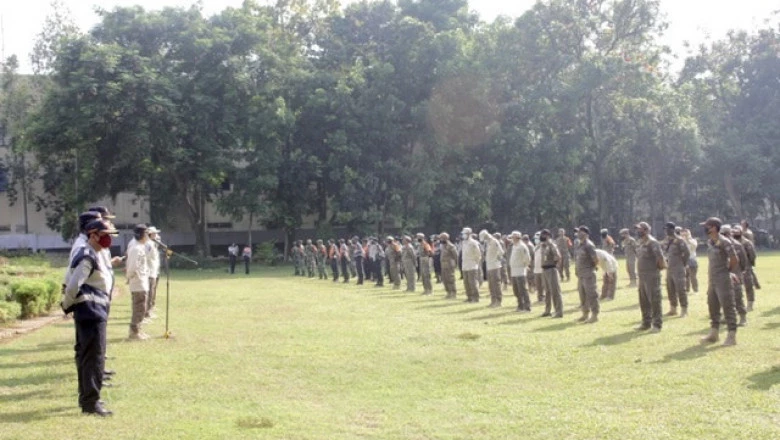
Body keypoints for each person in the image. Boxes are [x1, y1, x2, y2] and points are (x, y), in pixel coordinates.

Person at [62, 219, 118, 416]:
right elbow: (73, 284)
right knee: (93, 359)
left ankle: (89, 400)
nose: (108, 239)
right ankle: (91, 403)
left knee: (91, 358)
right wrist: (66, 305)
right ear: (93, 235)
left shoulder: (93, 253)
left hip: (93, 312)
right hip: (91, 313)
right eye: (105, 235)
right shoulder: (87, 256)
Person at [700, 217, 739, 346]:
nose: (705, 229)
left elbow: (734, 259)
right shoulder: (710, 242)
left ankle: (731, 336)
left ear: (714, 227)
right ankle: (714, 333)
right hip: (713, 279)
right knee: (713, 305)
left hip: (723, 279)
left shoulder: (725, 242)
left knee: (728, 307)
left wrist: (727, 272)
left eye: (707, 226)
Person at [634, 221, 666, 333]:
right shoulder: (641, 243)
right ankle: (646, 322)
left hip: (651, 275)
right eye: (637, 229)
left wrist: (656, 271)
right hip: (642, 276)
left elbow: (660, 259)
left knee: (654, 300)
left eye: (640, 229)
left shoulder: (653, 243)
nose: (638, 231)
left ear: (646, 230)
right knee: (644, 300)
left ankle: (657, 325)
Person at [126, 224, 150, 340]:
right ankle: (134, 332)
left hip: (142, 281)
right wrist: (130, 277)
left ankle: (138, 330)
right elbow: (131, 267)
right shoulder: (135, 248)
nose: (148, 236)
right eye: (146, 234)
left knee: (142, 307)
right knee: (139, 307)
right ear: (141, 235)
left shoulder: (140, 246)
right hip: (138, 282)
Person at [721, 225, 748, 327]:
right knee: (724, 297)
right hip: (723, 275)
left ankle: (742, 317)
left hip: (735, 274)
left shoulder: (737, 245)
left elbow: (743, 260)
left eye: (725, 234)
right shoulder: (719, 244)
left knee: (738, 297)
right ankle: (727, 316)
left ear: (729, 234)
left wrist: (740, 271)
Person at [662, 222, 690, 318]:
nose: (666, 231)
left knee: (680, 289)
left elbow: (686, 253)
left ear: (673, 229)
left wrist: (683, 264)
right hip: (669, 267)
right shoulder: (666, 240)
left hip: (678, 267)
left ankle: (684, 309)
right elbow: (665, 252)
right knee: (670, 289)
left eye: (668, 229)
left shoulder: (679, 240)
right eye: (665, 229)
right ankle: (673, 308)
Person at [538, 229, 563, 318]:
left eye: (543, 235)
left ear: (548, 235)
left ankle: (558, 311)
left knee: (555, 291)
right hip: (544, 270)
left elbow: (558, 256)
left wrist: (555, 266)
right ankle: (547, 310)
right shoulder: (542, 246)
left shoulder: (551, 245)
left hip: (551, 269)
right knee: (547, 292)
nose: (541, 236)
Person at [732, 225, 756, 311]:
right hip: (735, 268)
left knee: (748, 285)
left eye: (737, 232)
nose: (735, 233)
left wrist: (749, 265)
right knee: (736, 287)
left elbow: (752, 255)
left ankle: (750, 303)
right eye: (734, 232)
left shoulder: (746, 242)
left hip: (746, 266)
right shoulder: (731, 242)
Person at [481, 230, 505, 307]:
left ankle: (498, 301)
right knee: (491, 285)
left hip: (495, 266)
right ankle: (493, 300)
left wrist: (497, 259)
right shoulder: (487, 243)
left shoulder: (495, 242)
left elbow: (501, 252)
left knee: (496, 284)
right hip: (489, 266)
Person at [508, 231, 531, 312]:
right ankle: (520, 305)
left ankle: (527, 306)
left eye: (513, 237)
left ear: (517, 238)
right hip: (514, 271)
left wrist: (524, 266)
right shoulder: (514, 246)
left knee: (523, 290)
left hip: (520, 271)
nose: (511, 239)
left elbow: (527, 258)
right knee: (516, 290)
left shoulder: (522, 246)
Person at [145, 226, 162, 320]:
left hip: (154, 271)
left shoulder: (153, 244)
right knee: (149, 293)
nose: (156, 236)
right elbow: (146, 257)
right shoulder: (148, 244)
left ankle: (150, 309)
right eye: (154, 234)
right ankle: (147, 312)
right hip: (149, 272)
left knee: (152, 292)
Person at [461, 227, 482, 303]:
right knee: (466, 283)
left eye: (464, 234)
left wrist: (476, 263)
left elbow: (478, 254)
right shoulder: (463, 242)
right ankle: (469, 297)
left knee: (472, 282)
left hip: (472, 265)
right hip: (465, 265)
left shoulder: (473, 242)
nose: (463, 235)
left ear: (469, 234)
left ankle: (475, 298)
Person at [439, 232, 458, 299]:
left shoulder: (451, 246)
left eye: (442, 238)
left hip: (449, 265)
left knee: (450, 279)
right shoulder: (442, 246)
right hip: (443, 265)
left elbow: (455, 256)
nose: (440, 240)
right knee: (445, 279)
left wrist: (455, 264)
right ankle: (448, 292)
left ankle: (453, 293)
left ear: (445, 238)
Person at [681, 228, 698, 293]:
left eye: (685, 234)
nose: (684, 236)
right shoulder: (681, 242)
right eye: (682, 234)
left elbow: (694, 246)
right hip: (684, 260)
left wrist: (687, 239)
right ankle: (687, 289)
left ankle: (695, 289)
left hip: (692, 260)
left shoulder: (693, 240)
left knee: (693, 276)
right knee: (685, 276)